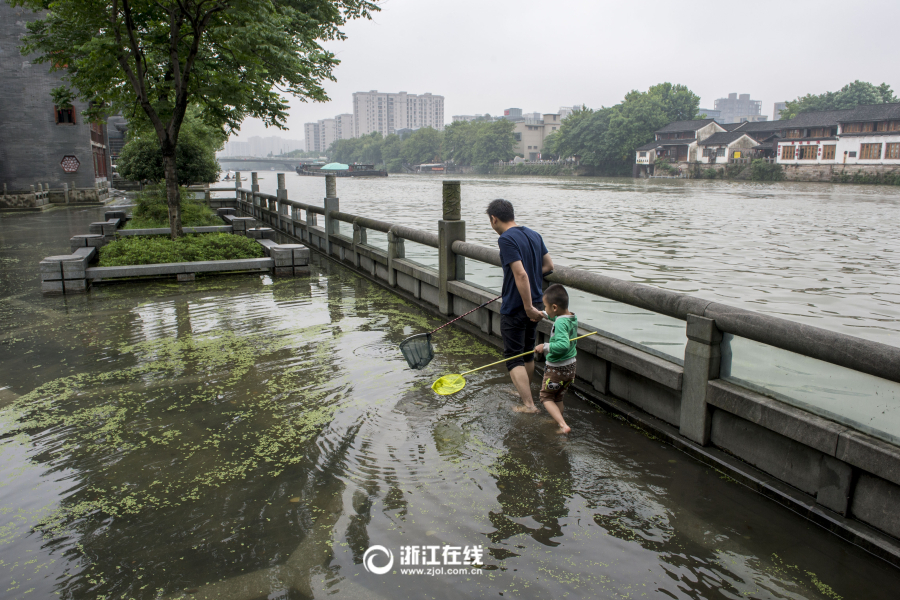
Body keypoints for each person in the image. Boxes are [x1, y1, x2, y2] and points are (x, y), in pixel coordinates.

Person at [486, 199, 553, 412]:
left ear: (494, 219)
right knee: (526, 353)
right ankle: (524, 393)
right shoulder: (534, 234)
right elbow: (549, 265)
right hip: (536, 302)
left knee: (513, 356)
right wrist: (532, 304)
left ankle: (529, 404)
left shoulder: (506, 239)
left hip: (518, 306)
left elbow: (520, 273)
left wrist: (525, 307)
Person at [534, 284, 577, 434]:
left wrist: (544, 346)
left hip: (556, 368)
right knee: (558, 397)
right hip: (570, 367)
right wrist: (544, 314)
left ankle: (562, 425)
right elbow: (558, 318)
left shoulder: (559, 322)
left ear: (554, 307)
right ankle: (558, 420)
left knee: (545, 397)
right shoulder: (571, 317)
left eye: (545, 307)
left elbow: (563, 345)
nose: (545, 310)